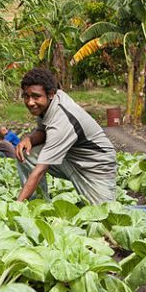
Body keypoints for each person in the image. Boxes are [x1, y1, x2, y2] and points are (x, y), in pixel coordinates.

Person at [15, 68, 117, 205]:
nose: (30, 102)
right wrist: (30, 139)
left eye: (35, 96)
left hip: (96, 167)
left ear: (50, 94)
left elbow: (40, 170)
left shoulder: (61, 121)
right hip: (71, 159)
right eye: (26, 96)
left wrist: (16, 206)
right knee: (25, 153)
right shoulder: (48, 103)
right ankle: (36, 205)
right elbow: (43, 132)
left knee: (105, 216)